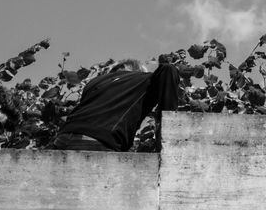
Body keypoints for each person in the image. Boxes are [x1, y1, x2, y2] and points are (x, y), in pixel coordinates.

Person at [51, 59, 180, 151]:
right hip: (99, 140)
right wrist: (166, 129)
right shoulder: (144, 79)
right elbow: (168, 69)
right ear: (137, 71)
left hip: (62, 138)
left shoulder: (94, 83)